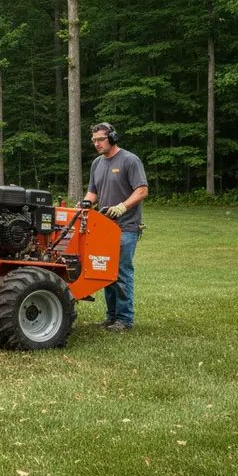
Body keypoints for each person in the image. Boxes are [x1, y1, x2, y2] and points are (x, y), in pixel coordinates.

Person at [83, 123, 148, 333]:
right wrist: (84, 205)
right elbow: (92, 192)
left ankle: (125, 319)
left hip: (126, 226)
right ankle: (111, 317)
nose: (97, 144)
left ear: (112, 138)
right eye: (94, 140)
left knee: (122, 272)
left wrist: (122, 206)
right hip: (103, 227)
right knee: (105, 272)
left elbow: (142, 190)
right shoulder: (97, 163)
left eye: (100, 139)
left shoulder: (130, 160)